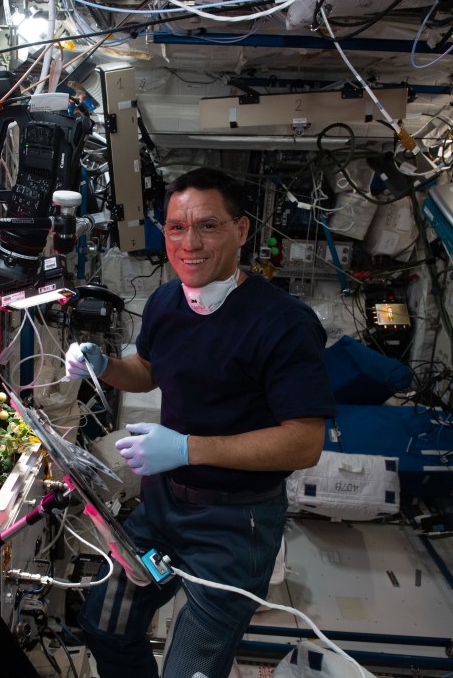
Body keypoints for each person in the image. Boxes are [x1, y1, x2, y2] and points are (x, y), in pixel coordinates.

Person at [63, 167, 336, 678]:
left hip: (235, 527)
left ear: (242, 231)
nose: (189, 243)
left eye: (208, 226)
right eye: (176, 228)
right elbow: (147, 372)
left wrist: (188, 449)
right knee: (107, 624)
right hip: (161, 511)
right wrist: (103, 365)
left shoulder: (283, 323)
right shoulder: (168, 300)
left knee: (189, 670)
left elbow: (304, 443)